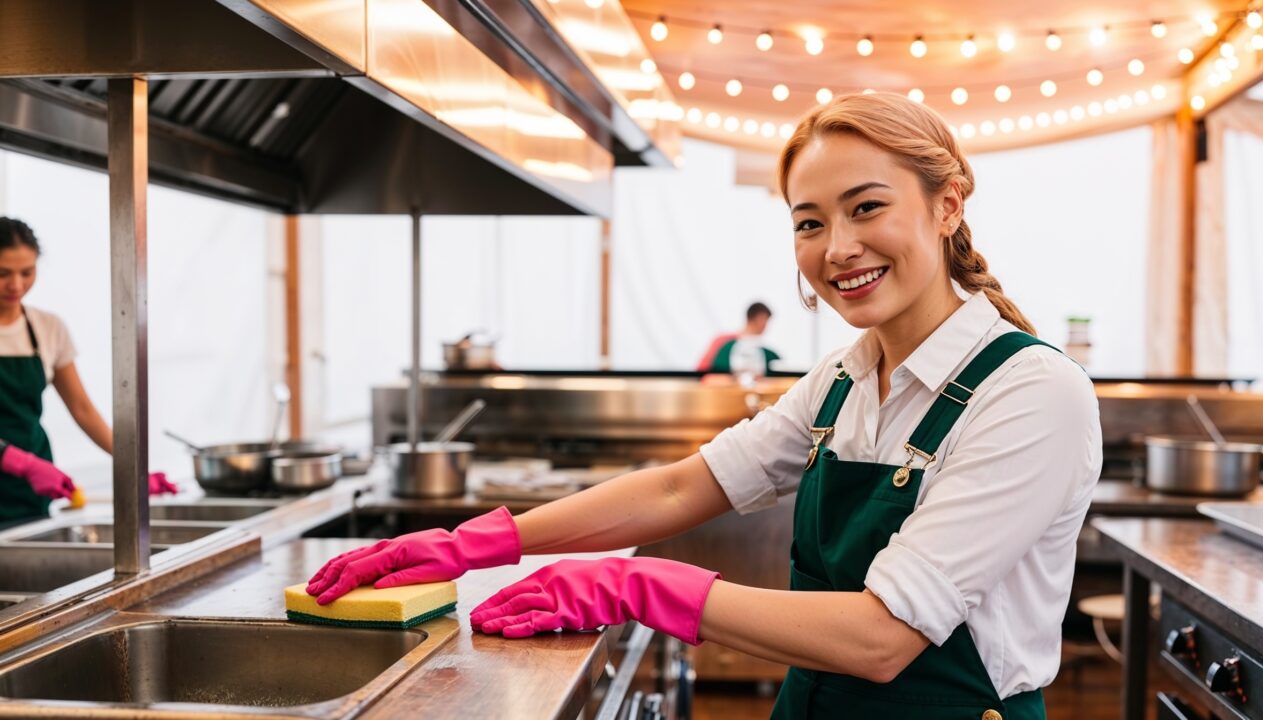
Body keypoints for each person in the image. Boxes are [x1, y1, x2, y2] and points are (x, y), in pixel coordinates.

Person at [306, 93, 1100, 718]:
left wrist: (638, 587)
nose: (836, 249)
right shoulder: (844, 377)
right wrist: (479, 542)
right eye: (809, 223)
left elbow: (879, 638)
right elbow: (682, 487)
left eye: (866, 208)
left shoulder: (1031, 393)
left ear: (947, 204)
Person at [0, 217, 176, 528]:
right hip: (24, 469)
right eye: (3, 273)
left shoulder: (47, 328)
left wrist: (132, 466)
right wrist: (19, 462)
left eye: (27, 272)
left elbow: (82, 409)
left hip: (30, 493)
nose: (16, 285)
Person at [696, 301, 781, 374]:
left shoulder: (762, 349)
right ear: (760, 319)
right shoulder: (723, 341)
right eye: (766, 321)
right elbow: (702, 370)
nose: (766, 327)